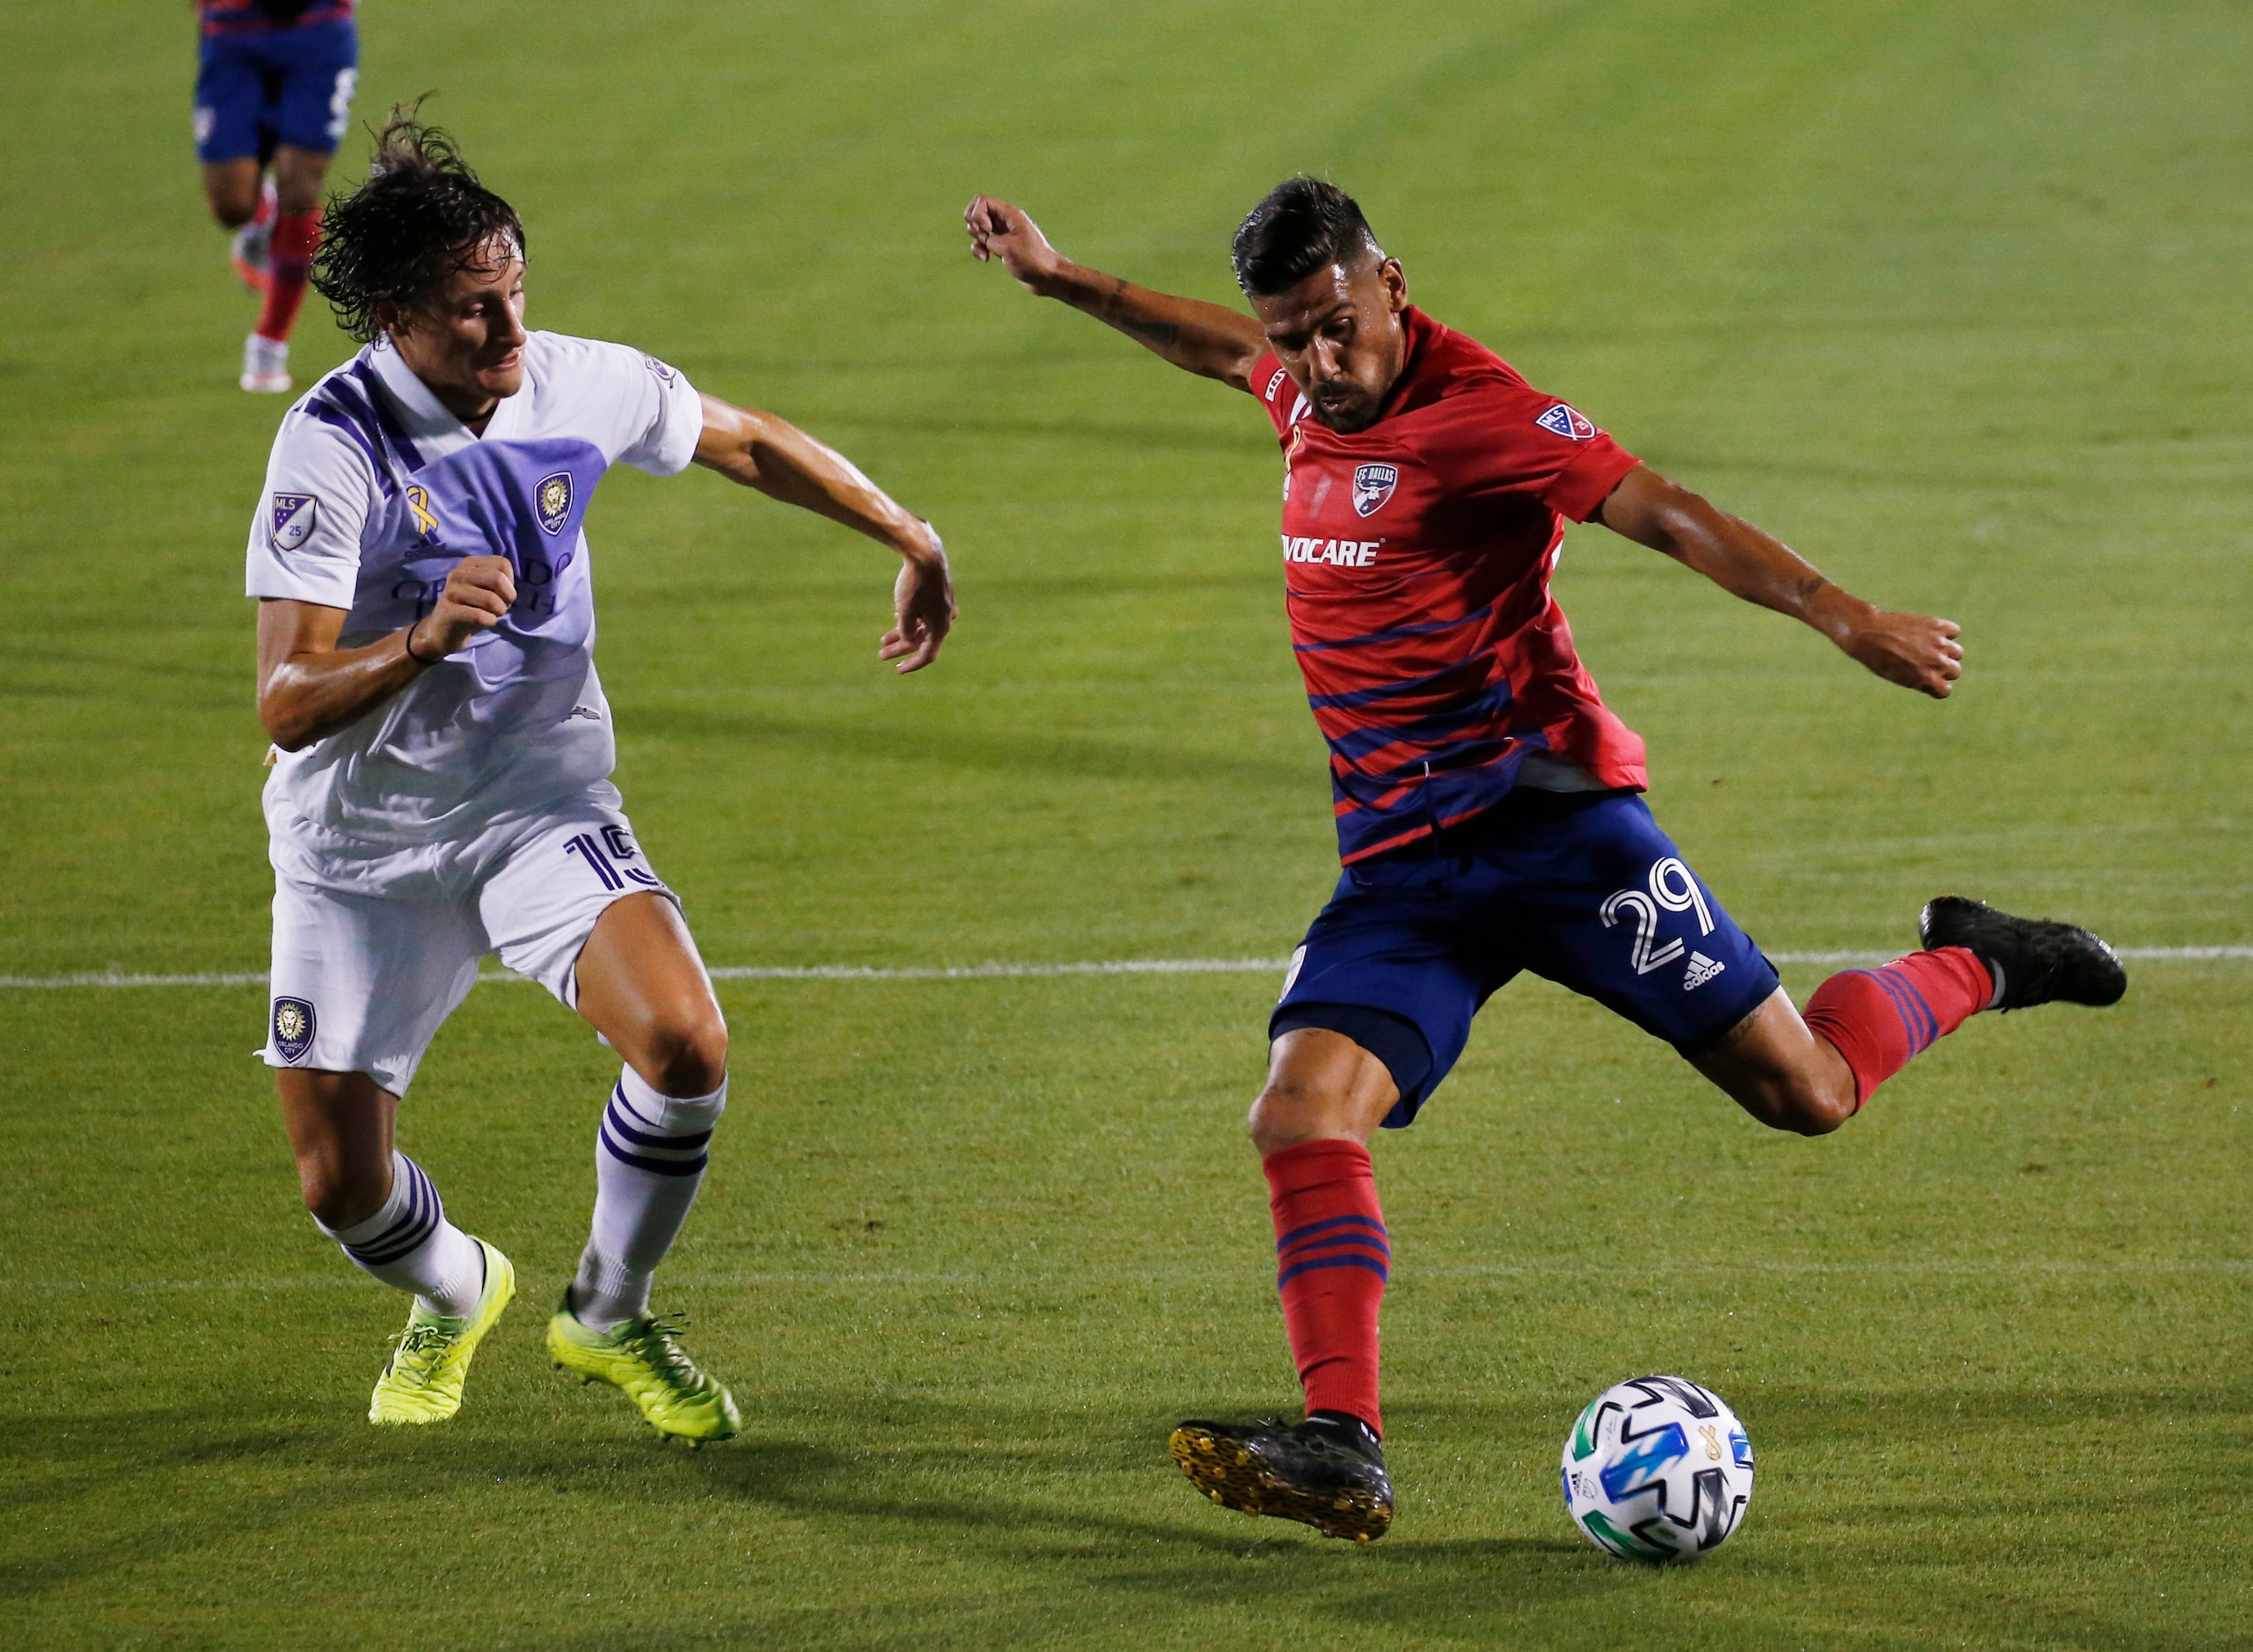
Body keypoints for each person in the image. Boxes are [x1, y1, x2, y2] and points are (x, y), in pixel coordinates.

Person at [965, 179, 2123, 1540]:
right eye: (1292, 339)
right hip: (1402, 866)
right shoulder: (1294, 385)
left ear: (1389, 282)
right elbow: (1213, 344)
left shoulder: (1488, 419)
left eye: (1335, 326)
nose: (1316, 365)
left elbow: (1665, 509)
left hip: (1559, 836)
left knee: (1805, 1092)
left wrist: (1839, 611)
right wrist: (1061, 279)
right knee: (1296, 1113)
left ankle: (1982, 956)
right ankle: (1343, 1442)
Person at [250, 112, 955, 1436]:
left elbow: (740, 438)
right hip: (361, 846)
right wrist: (418, 637)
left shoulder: (571, 381)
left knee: (687, 1041)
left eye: (515, 294)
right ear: (398, 316)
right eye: (474, 313)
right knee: (340, 1188)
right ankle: (458, 1290)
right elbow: (284, 702)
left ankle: (608, 1307)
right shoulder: (331, 446)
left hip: (536, 805)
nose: (511, 336)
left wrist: (907, 531)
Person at [192, 0, 362, 391]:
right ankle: (261, 210)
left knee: (300, 190)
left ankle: (269, 342)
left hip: (316, 29)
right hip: (233, 34)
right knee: (231, 206)